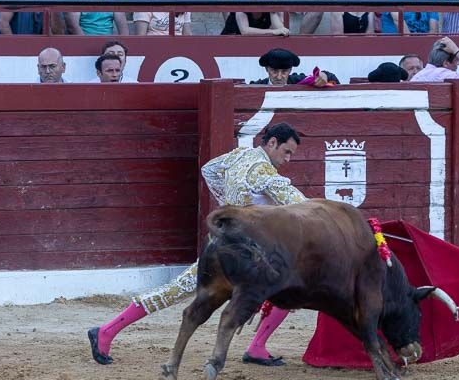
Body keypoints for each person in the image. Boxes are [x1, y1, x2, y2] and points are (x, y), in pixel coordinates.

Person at [88, 122, 308, 366]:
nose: (288, 159)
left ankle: (106, 331)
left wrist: (228, 204)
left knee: (176, 290)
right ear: (272, 143)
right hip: (245, 253)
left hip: (222, 241)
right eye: (286, 152)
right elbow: (303, 207)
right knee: (292, 288)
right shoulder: (267, 176)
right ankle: (256, 346)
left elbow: (209, 170)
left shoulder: (240, 155)